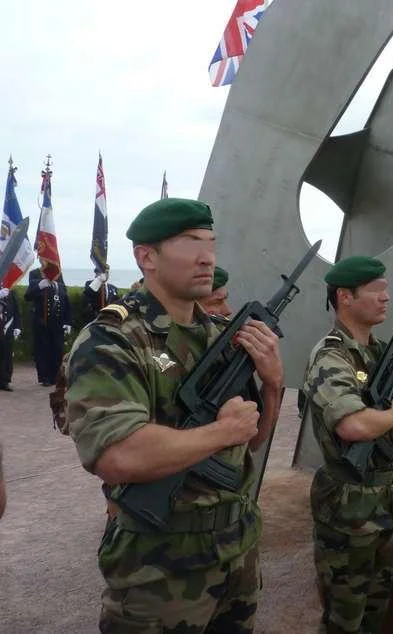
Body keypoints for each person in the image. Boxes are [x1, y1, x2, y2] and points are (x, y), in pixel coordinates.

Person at [65, 198, 285, 632]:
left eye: (211, 243)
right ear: (147, 257)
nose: (207, 256)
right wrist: (220, 431)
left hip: (235, 550)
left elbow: (250, 441)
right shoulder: (113, 338)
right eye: (189, 243)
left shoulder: (223, 335)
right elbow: (117, 455)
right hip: (157, 567)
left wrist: (273, 386)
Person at [300, 256, 393, 634]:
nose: (386, 298)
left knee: (375, 610)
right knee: (344, 617)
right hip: (348, 504)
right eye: (376, 291)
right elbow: (353, 425)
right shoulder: (331, 356)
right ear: (345, 297)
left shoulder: (378, 352)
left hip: (384, 497)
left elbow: (386, 426)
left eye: (386, 290)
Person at [25, 268, 72, 386]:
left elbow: (66, 304)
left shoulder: (60, 286)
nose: (55, 276)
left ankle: (55, 376)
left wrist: (67, 322)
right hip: (42, 323)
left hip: (57, 324)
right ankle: (44, 377)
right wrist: (39, 286)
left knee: (57, 351)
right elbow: (28, 296)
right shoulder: (38, 283)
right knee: (43, 351)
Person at [0, 287, 22, 391]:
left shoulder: (9, 290)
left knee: (6, 355)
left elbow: (15, 309)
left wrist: (17, 326)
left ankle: (5, 381)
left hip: (7, 327)